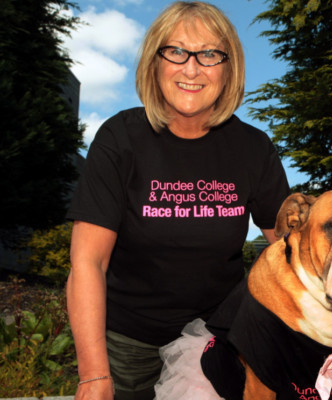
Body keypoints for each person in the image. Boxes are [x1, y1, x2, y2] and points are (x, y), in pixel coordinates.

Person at [65, 2, 290, 399]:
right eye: (177, 51)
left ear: (228, 67)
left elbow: (292, 251)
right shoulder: (120, 138)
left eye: (209, 54)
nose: (191, 68)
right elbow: (88, 261)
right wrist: (94, 375)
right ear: (156, 61)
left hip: (216, 339)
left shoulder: (254, 148)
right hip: (128, 342)